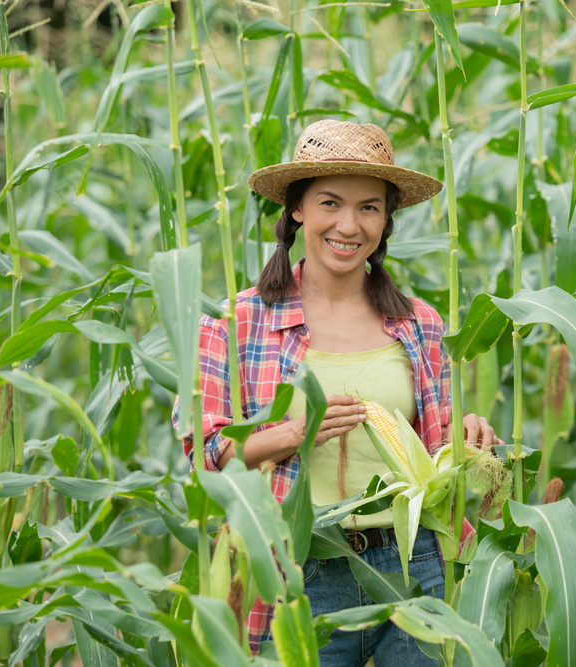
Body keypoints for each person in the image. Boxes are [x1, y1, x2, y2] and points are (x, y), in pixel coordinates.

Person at [175, 119, 501, 664]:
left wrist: (469, 437)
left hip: (414, 563)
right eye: (330, 203)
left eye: (369, 208)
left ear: (386, 220)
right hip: (302, 567)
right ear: (297, 208)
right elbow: (207, 459)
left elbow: (435, 445)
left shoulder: (420, 324)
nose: (349, 225)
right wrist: (295, 435)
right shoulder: (236, 324)